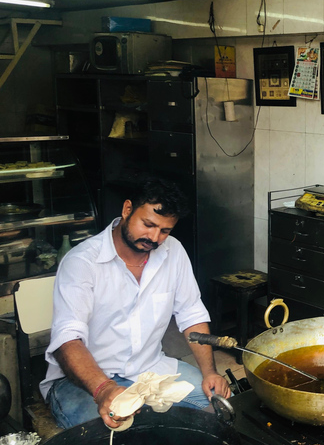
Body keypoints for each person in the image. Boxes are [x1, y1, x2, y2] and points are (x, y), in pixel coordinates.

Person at [41, 178, 231, 430]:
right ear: (127, 209)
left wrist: (209, 372)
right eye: (148, 224)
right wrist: (104, 389)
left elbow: (191, 313)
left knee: (219, 410)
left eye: (165, 231)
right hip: (83, 383)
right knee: (115, 433)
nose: (154, 237)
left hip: (150, 370)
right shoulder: (82, 262)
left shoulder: (173, 252)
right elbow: (67, 339)